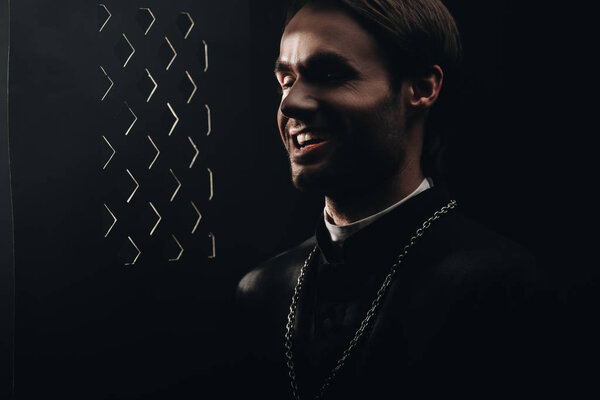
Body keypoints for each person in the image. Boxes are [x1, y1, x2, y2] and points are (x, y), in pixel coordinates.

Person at [235, 1, 549, 398]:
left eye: (330, 74)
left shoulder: (498, 290)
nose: (290, 104)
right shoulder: (260, 293)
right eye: (286, 80)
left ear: (421, 88)